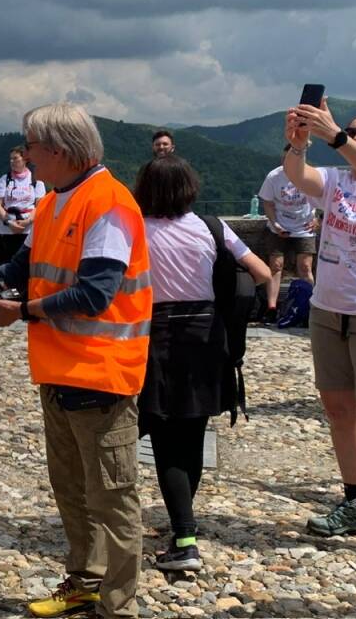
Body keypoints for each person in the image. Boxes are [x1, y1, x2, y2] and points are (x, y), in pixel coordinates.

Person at [0, 102, 152, 619]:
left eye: (30, 146)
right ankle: (84, 584)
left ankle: (118, 607)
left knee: (113, 497)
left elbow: (96, 294)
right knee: (73, 490)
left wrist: (22, 311)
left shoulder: (108, 203)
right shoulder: (57, 201)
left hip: (102, 373)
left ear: (57, 150)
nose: (27, 156)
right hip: (60, 371)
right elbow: (23, 262)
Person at [133, 156, 269, 572]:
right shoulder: (212, 226)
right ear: (190, 187)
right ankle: (182, 528)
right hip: (207, 336)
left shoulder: (135, 230)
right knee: (192, 435)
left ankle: (185, 539)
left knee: (163, 438)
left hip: (154, 335)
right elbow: (261, 271)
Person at [284, 101, 356, 562]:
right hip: (328, 308)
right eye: (352, 131)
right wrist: (298, 141)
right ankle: (355, 502)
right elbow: (298, 177)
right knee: (339, 408)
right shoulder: (339, 179)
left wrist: (337, 138)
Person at [257, 145, 317, 322]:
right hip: (278, 224)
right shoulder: (274, 176)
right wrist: (275, 224)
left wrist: (317, 218)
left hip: (304, 226)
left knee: (305, 267)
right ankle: (271, 307)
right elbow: (267, 202)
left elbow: (324, 197)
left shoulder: (310, 174)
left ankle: (308, 305)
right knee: (276, 265)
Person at [0, 145, 46, 263]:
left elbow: (40, 205)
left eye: (15, 158)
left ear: (25, 160)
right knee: (5, 263)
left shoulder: (36, 180)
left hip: (28, 230)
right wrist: (8, 222)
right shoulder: (4, 179)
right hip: (6, 230)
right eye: (10, 159)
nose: (12, 162)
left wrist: (27, 222)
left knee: (25, 264)